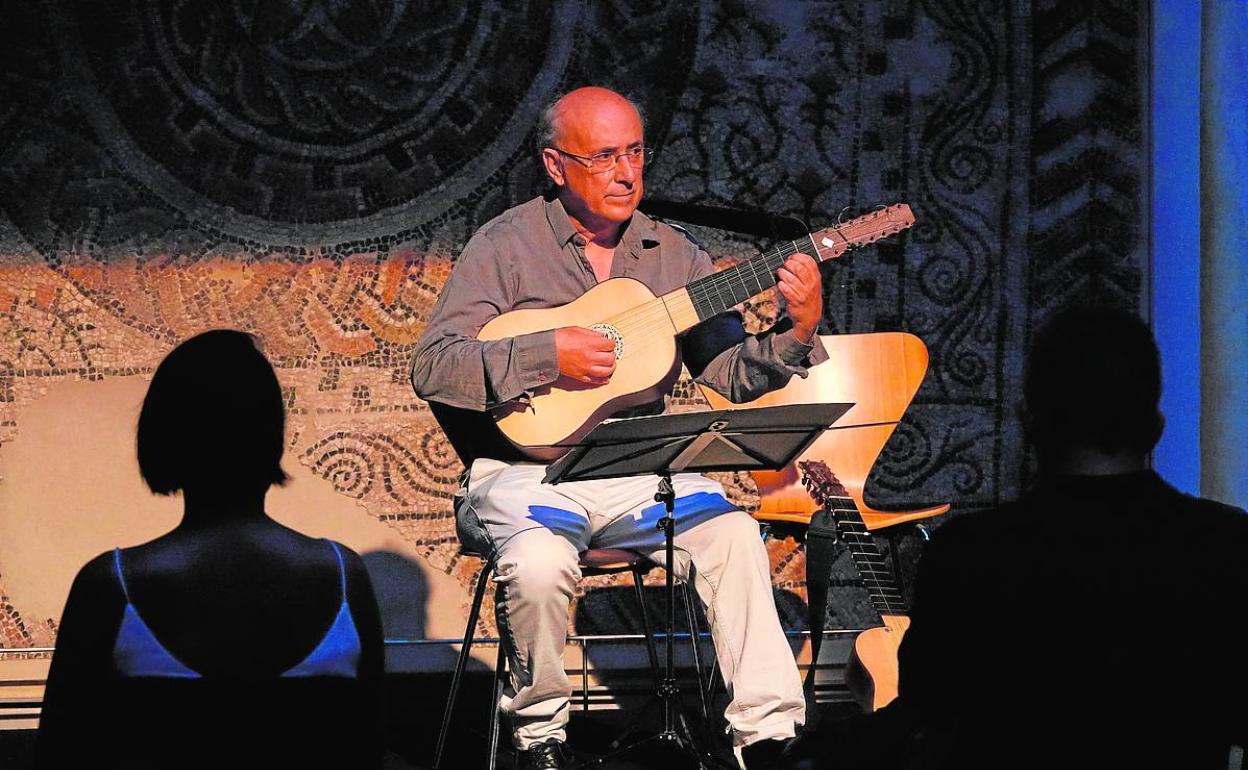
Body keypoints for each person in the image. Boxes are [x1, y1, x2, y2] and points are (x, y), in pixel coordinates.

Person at [410, 86, 827, 770]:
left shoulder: (671, 253)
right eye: (603, 156)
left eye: (634, 152)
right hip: (524, 478)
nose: (626, 172)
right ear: (554, 165)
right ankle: (541, 742)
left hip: (634, 473)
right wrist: (547, 355)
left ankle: (768, 738)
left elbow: (730, 372)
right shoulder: (507, 245)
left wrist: (798, 327)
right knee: (539, 564)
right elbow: (434, 366)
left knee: (732, 535)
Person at [818, 306, 1248, 769]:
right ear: (1155, 427)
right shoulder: (1227, 544)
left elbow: (922, 719)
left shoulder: (968, 553)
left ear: (1029, 420)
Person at [36, 330, 385, 769]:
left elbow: (58, 752)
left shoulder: (112, 584)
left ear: (163, 438)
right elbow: (368, 743)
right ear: (272, 435)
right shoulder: (341, 575)